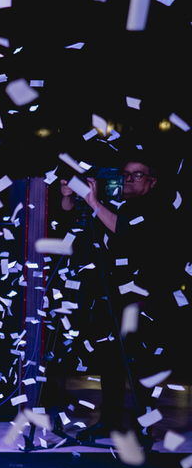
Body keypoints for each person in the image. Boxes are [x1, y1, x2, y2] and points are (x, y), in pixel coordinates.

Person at [58, 156, 185, 445]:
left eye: (137, 175)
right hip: (110, 292)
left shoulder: (160, 207)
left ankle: (144, 429)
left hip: (144, 297)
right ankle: (109, 421)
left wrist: (94, 203)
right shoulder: (115, 204)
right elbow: (75, 222)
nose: (128, 179)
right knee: (110, 361)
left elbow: (125, 230)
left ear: (152, 181)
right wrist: (70, 197)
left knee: (141, 365)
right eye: (125, 174)